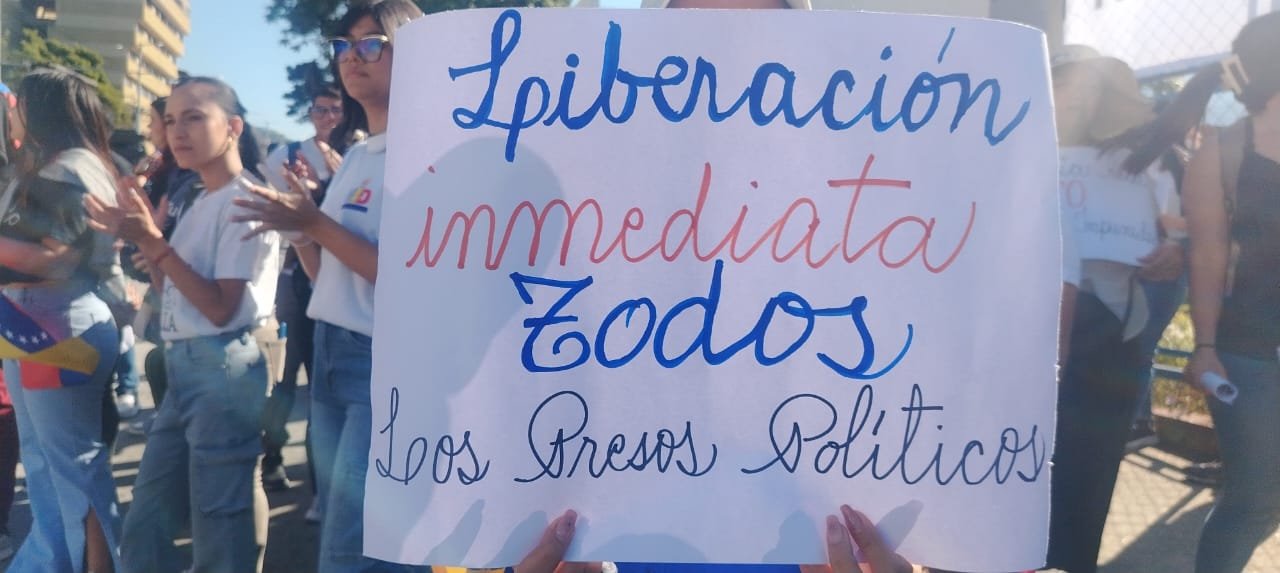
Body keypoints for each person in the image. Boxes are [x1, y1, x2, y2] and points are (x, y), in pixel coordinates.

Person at [232, 1, 425, 570]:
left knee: (352, 544)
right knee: (345, 532)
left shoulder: (428, 154)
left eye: (371, 44)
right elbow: (328, 282)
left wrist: (313, 223)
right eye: (343, 45)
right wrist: (298, 231)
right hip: (333, 350)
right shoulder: (359, 154)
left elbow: (410, 281)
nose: (351, 57)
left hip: (383, 361)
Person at [88, 76, 281, 573]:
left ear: (233, 127)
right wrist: (145, 238)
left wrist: (154, 243)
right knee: (148, 516)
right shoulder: (199, 197)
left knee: (219, 524)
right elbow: (173, 289)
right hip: (186, 364)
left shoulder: (245, 201)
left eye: (194, 117)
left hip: (222, 363)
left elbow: (220, 308)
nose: (177, 131)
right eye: (171, 119)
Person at [1045, 46, 1184, 573]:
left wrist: (1175, 250)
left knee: (1089, 465)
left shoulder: (1148, 161)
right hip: (1027, 331)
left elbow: (1177, 230)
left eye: (1086, 87)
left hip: (1108, 334)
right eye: (1062, 83)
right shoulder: (1008, 147)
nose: (1074, 97)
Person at [0, 67, 124, 573]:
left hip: (54, 327)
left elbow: (55, 256)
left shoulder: (70, 171)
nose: (13, 111)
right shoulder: (58, 166)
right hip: (33, 323)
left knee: (72, 466)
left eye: (20, 102)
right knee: (47, 464)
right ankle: (53, 562)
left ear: (41, 109)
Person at [1176, 11, 1280, 573]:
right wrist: (1205, 348)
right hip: (1250, 354)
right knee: (1255, 500)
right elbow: (1208, 256)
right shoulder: (1223, 153)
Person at [259, 86, 344, 495]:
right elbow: (269, 205)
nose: (328, 117)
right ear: (310, 114)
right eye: (320, 109)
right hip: (296, 276)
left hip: (343, 277)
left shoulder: (358, 156)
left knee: (324, 386)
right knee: (287, 376)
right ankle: (272, 460)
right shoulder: (288, 154)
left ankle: (319, 489)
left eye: (335, 110)